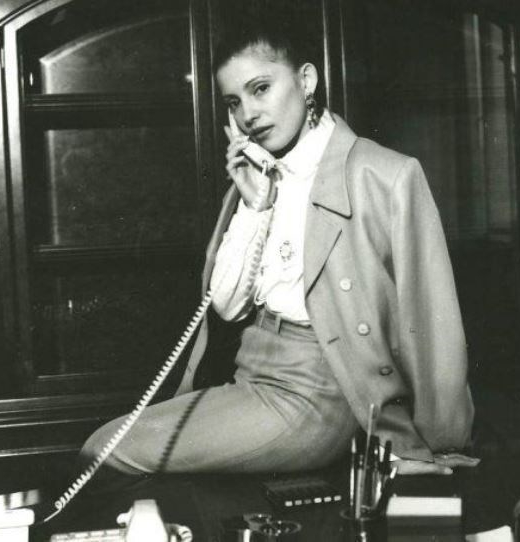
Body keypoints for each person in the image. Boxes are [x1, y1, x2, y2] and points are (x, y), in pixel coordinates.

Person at [81, 22, 477, 478]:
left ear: (306, 81)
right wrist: (255, 206)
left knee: (107, 454)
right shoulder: (258, 180)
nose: (248, 114)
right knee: (101, 445)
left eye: (261, 89)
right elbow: (226, 307)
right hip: (252, 373)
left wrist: (438, 443)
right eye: (234, 102)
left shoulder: (384, 174)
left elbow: (431, 322)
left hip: (320, 391)